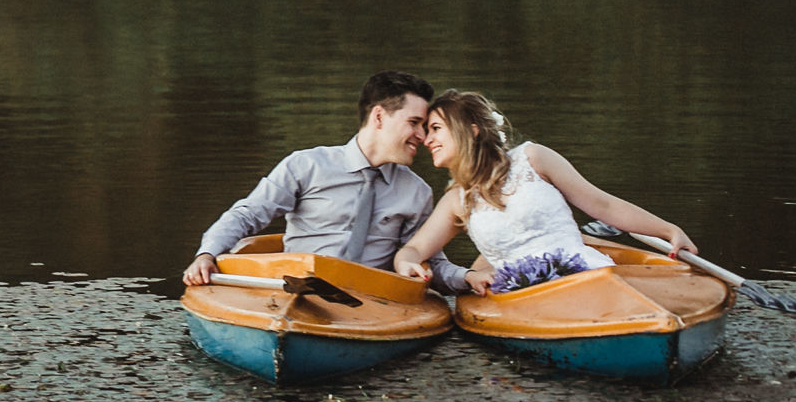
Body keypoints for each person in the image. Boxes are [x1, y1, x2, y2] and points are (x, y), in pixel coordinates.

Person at [182, 70, 470, 292]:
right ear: (379, 117)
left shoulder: (417, 192)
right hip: (293, 290)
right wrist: (207, 254)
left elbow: (426, 258)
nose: (423, 136)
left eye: (424, 126)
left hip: (369, 300)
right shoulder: (306, 165)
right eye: (414, 123)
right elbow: (248, 214)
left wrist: (468, 278)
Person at [392, 89, 696, 295]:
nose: (425, 139)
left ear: (471, 130)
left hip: (582, 274)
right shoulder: (456, 201)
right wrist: (406, 263)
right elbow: (414, 250)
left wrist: (669, 230)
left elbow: (603, 205)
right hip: (521, 297)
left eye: (436, 129)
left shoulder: (533, 158)